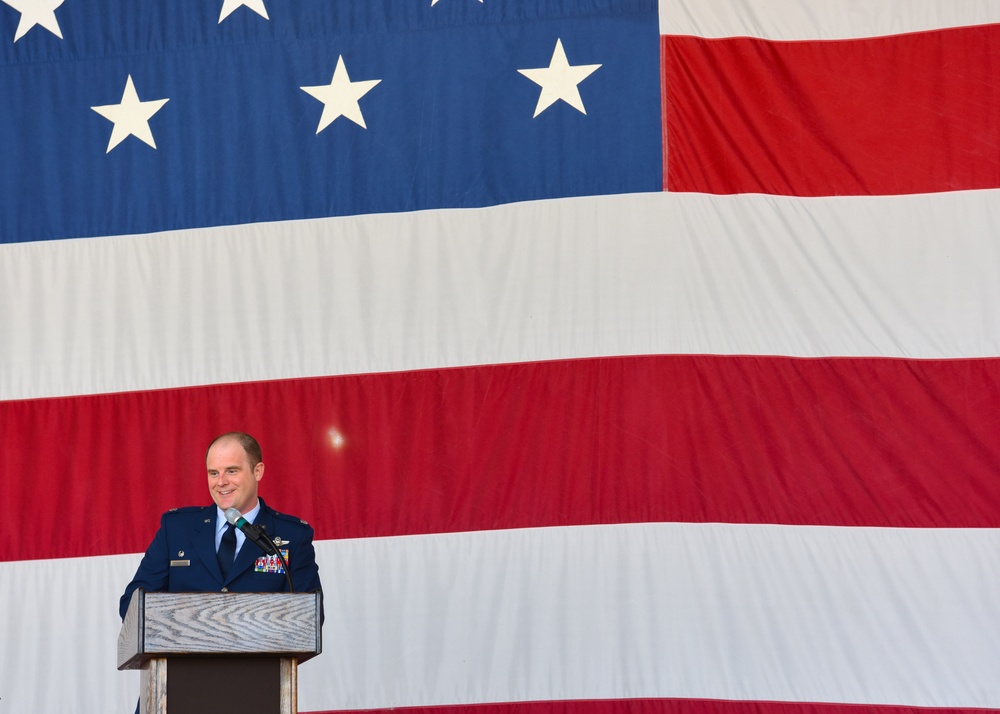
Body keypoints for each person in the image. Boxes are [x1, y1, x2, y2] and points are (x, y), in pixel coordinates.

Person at [119, 432, 322, 620]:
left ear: (257, 471)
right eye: (213, 473)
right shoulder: (176, 529)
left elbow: (309, 616)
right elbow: (133, 605)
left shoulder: (292, 535)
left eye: (231, 471)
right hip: (187, 655)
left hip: (258, 658)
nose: (221, 482)